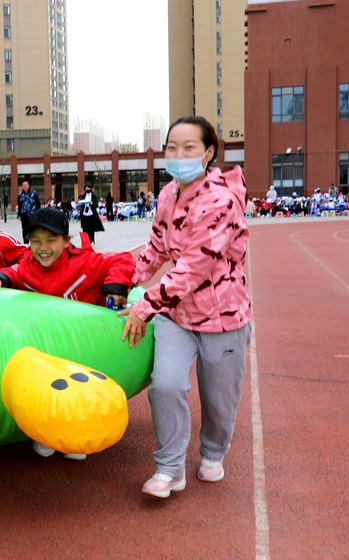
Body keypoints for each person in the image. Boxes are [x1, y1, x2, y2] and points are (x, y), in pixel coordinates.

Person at [120, 116, 252, 499]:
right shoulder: (167, 195)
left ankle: (212, 452)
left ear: (208, 153)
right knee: (165, 384)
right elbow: (156, 248)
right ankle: (170, 467)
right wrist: (124, 280)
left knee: (219, 401)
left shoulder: (221, 201)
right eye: (172, 148)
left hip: (223, 317)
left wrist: (144, 304)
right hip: (176, 315)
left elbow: (194, 267)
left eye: (189, 147)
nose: (179, 155)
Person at [0, 207, 134, 459]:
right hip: (50, 353)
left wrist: (116, 286)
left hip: (87, 347)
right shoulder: (29, 267)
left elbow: (122, 259)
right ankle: (47, 429)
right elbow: (15, 270)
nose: (43, 248)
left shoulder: (85, 263)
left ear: (66, 241)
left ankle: (80, 429)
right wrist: (0, 278)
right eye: (35, 241)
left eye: (51, 240)